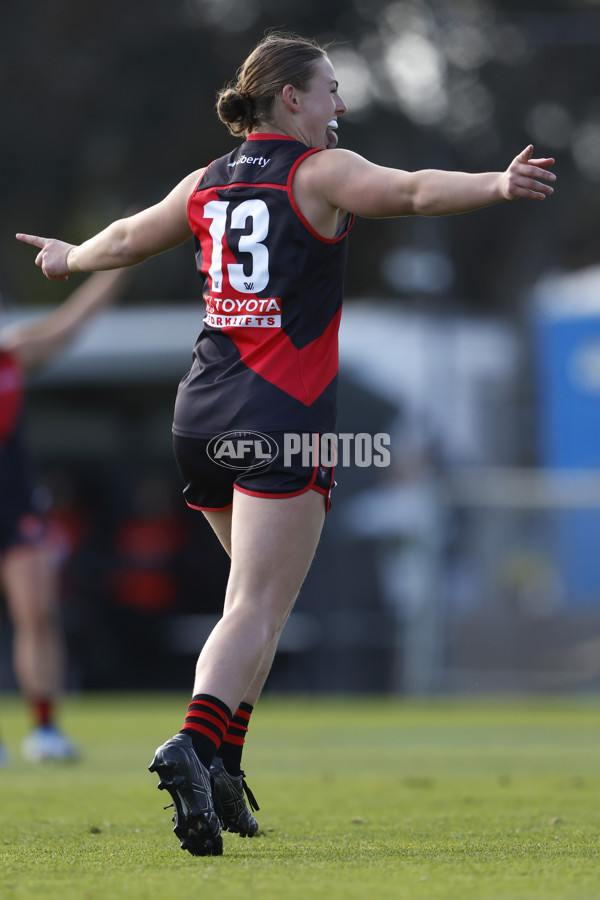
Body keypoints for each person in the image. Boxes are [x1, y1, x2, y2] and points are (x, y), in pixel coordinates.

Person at [15, 31, 555, 851]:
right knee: (256, 607)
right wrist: (496, 183)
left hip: (199, 418)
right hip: (278, 420)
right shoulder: (317, 171)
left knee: (256, 606)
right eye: (330, 87)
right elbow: (409, 193)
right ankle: (194, 747)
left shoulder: (205, 181)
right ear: (289, 98)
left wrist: (69, 258)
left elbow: (124, 240)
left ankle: (225, 769)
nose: (341, 103)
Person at [0, 268, 129, 763]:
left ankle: (45, 728)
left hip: (15, 503)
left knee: (37, 612)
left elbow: (71, 322)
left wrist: (120, 265)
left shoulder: (13, 355)